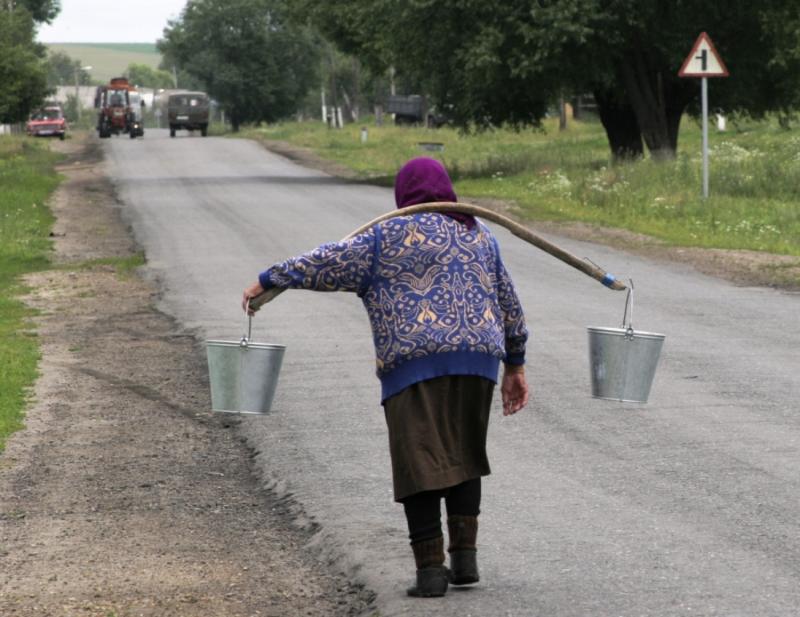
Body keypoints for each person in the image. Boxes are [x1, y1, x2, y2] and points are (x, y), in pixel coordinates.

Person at [242, 157, 529, 598]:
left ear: (403, 196)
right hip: (478, 362)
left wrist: (269, 279)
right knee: (464, 451)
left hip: (414, 364)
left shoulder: (384, 237)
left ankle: (432, 571)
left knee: (419, 461)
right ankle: (466, 559)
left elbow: (326, 262)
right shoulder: (480, 235)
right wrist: (515, 365)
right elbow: (509, 305)